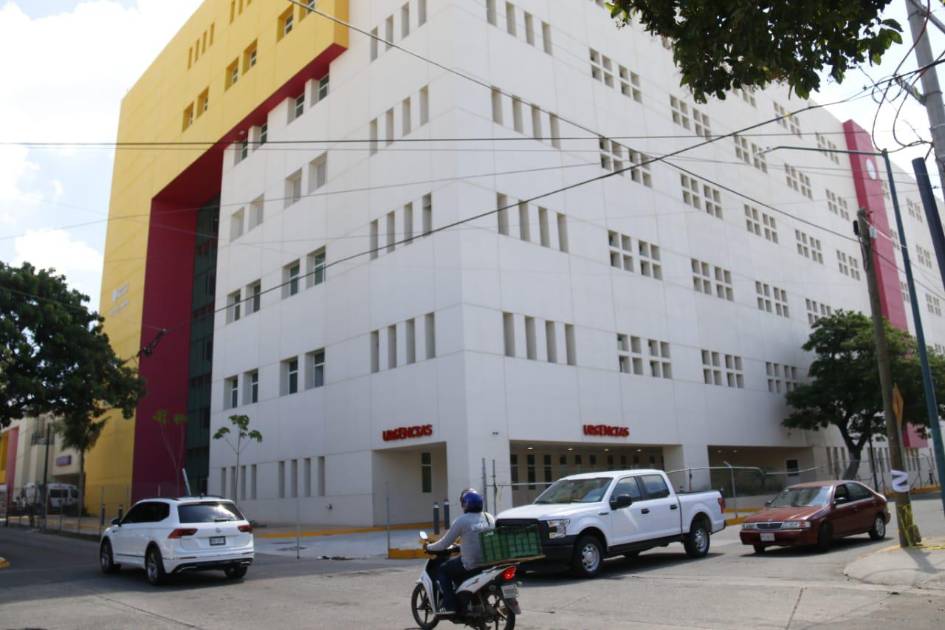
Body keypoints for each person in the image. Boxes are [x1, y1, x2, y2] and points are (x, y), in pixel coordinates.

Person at [425, 488, 494, 614]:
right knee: (455, 566)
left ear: (466, 504)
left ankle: (450, 605)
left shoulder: (462, 520)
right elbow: (477, 539)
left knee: (443, 570)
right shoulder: (489, 517)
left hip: (471, 564)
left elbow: (444, 543)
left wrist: (429, 547)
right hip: (489, 562)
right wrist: (460, 547)